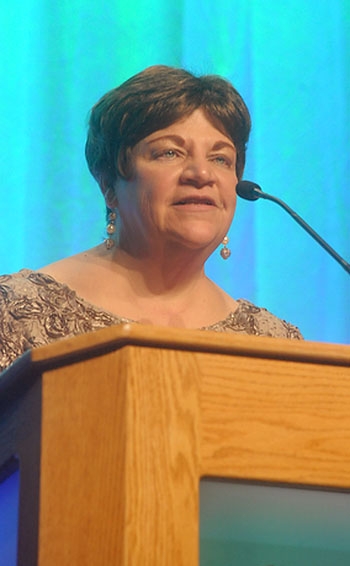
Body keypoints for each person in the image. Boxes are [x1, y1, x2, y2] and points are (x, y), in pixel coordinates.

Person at [0, 65, 302, 373]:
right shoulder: (14, 314)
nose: (201, 174)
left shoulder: (275, 344)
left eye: (220, 158)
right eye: (169, 153)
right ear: (109, 185)